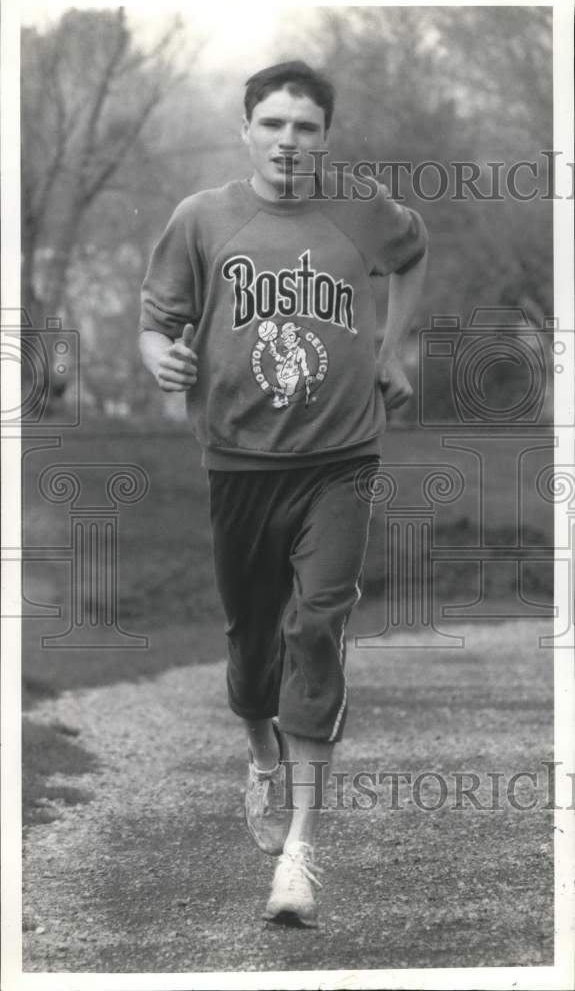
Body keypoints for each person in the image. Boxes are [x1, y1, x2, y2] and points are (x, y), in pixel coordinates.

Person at [139, 60, 428, 928]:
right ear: (246, 130)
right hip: (238, 463)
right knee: (251, 641)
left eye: (305, 127)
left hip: (341, 458)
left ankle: (299, 854)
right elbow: (156, 323)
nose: (288, 141)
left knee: (317, 627)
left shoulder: (360, 210)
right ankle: (259, 748)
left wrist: (392, 350)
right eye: (272, 124)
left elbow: (411, 255)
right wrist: (160, 359)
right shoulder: (202, 218)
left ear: (325, 137)